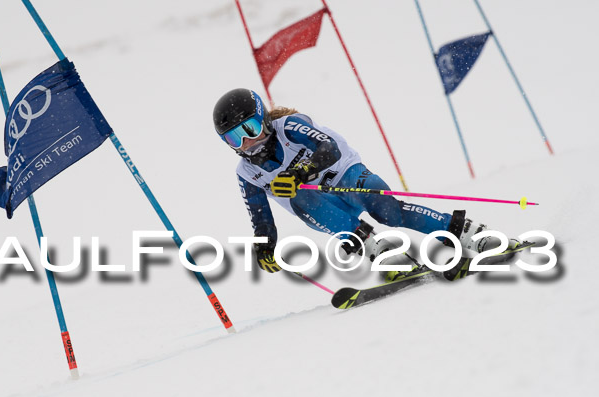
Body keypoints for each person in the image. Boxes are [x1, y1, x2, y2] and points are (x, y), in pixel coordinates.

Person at [213, 88, 499, 277]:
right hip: (320, 207)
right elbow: (260, 217)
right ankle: (383, 253)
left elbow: (328, 149)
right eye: (234, 138)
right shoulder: (246, 174)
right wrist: (265, 246)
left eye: (249, 128)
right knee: (299, 197)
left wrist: (299, 173)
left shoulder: (288, 127)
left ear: (263, 119)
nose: (246, 142)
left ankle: (470, 234)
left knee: (388, 212)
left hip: (346, 176)